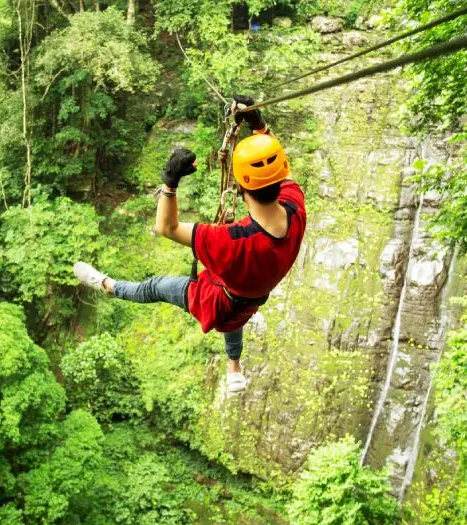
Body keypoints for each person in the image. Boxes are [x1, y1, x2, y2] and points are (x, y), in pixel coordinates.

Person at [73, 96, 307, 394]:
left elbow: (166, 228)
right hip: (250, 296)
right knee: (236, 314)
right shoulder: (296, 209)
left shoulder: (231, 242)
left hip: (216, 300)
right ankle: (234, 367)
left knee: (155, 287)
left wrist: (169, 182)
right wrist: (259, 127)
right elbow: (280, 170)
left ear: (240, 187)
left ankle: (107, 285)